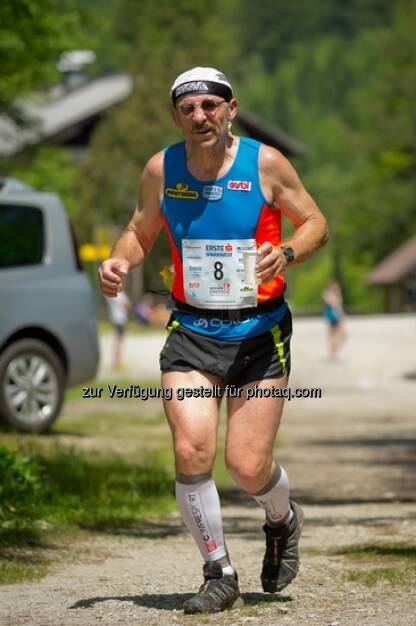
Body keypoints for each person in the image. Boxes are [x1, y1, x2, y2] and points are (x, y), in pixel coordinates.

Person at [98, 67, 329, 614]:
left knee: (247, 464)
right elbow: (139, 229)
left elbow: (315, 221)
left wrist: (289, 252)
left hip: (259, 331)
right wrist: (119, 259)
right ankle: (218, 571)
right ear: (177, 115)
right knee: (190, 448)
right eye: (188, 108)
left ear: (230, 109)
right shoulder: (163, 168)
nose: (200, 116)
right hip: (193, 329)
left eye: (210, 106)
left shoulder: (265, 163)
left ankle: (282, 518)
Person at [322, 279, 347, 362]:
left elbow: (338, 306)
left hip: (334, 317)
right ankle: (334, 353)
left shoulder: (333, 295)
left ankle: (333, 353)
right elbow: (334, 304)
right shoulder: (329, 294)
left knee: (334, 335)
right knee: (337, 335)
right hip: (333, 317)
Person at [105, 289, 131, 369]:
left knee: (117, 341)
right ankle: (117, 362)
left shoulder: (109, 293)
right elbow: (127, 305)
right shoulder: (120, 294)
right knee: (120, 342)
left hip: (114, 317)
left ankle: (115, 362)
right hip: (121, 319)